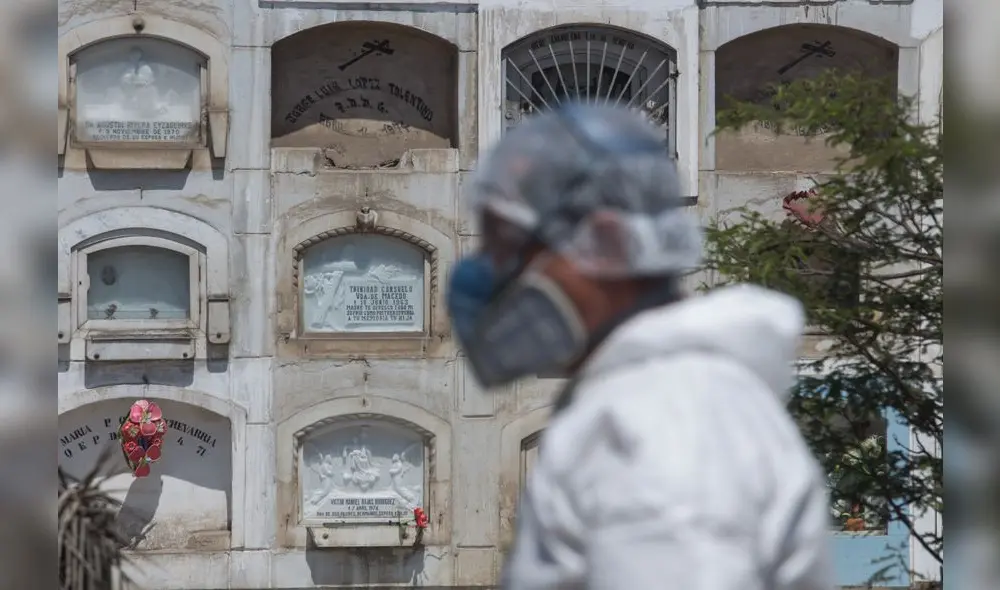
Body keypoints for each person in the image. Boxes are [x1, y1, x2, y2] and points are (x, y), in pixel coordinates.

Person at [447, 104, 835, 590]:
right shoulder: (664, 397)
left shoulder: (659, 420)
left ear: (606, 240)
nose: (485, 274)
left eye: (506, 246)